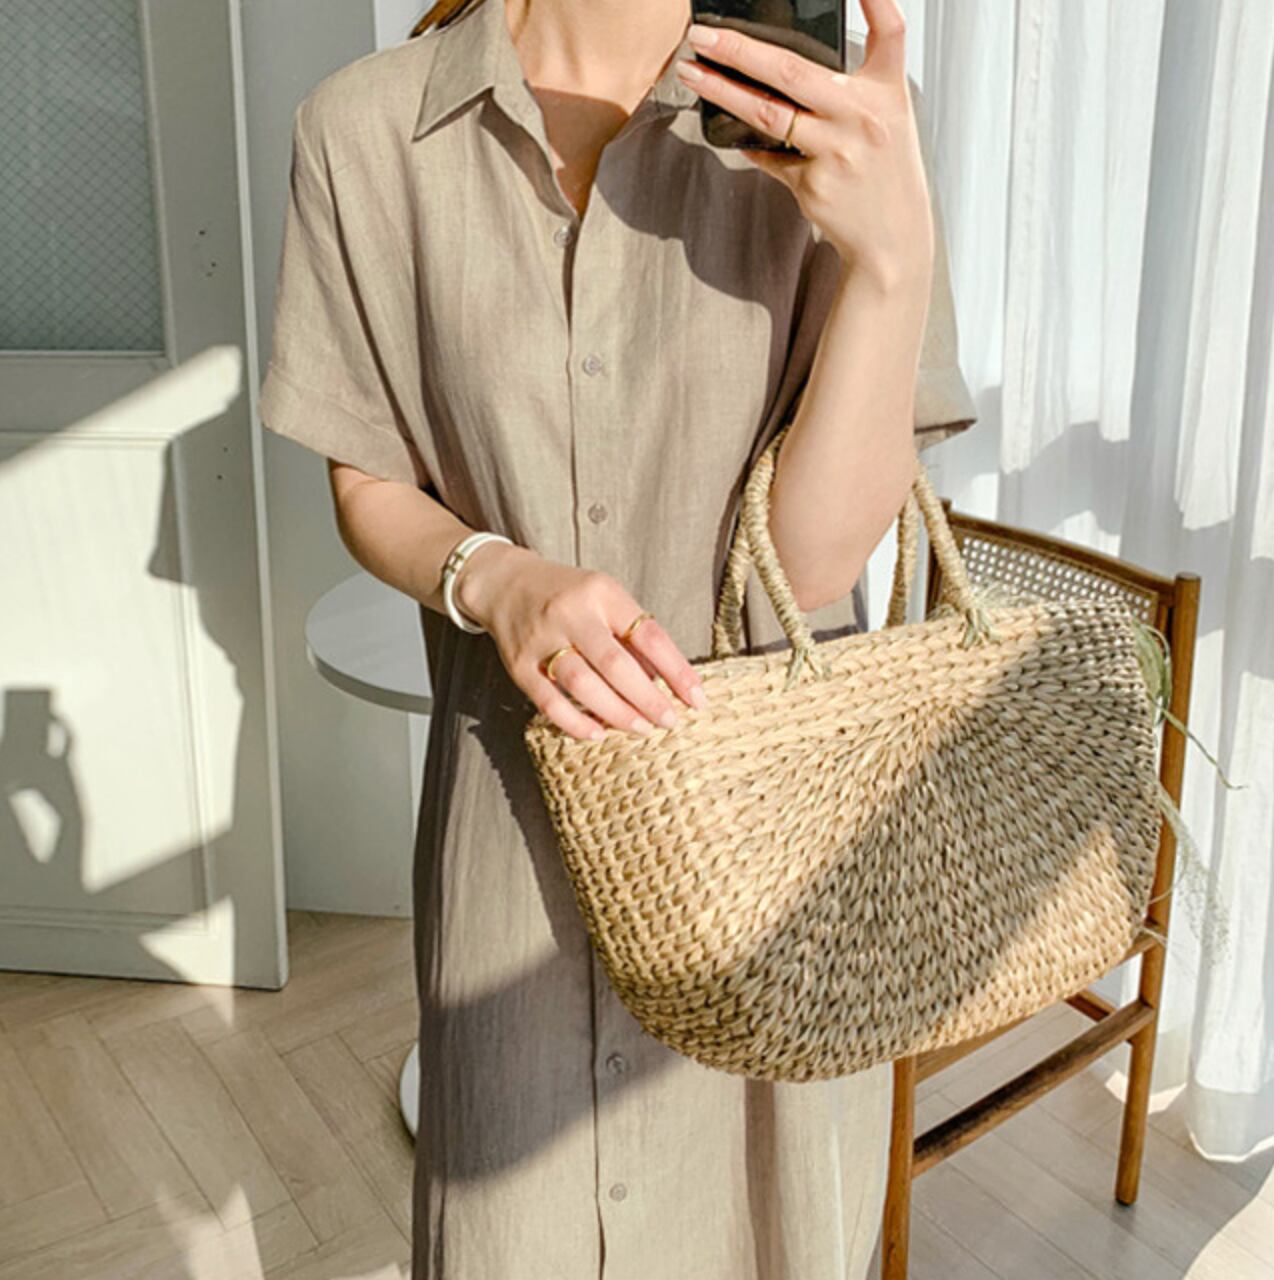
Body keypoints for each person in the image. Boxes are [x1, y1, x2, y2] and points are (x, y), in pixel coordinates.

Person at [258, 0, 977, 1274]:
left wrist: (892, 266)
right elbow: (366, 476)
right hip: (514, 855)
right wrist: (492, 577)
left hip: (770, 870)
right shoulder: (364, 131)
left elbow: (811, 565)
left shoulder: (828, 118)